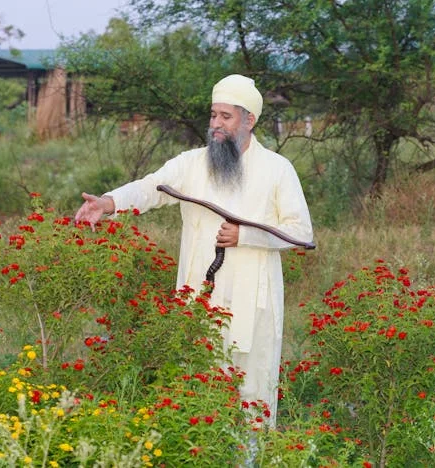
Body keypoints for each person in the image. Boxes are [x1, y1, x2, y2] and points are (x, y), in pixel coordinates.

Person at [74, 74, 313, 427]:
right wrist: (109, 203)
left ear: (250, 120)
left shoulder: (278, 170)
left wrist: (246, 235)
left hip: (253, 307)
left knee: (252, 397)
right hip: (199, 301)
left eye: (225, 117)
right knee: (197, 393)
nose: (215, 124)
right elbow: (149, 188)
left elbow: (301, 232)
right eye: (213, 115)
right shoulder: (191, 163)